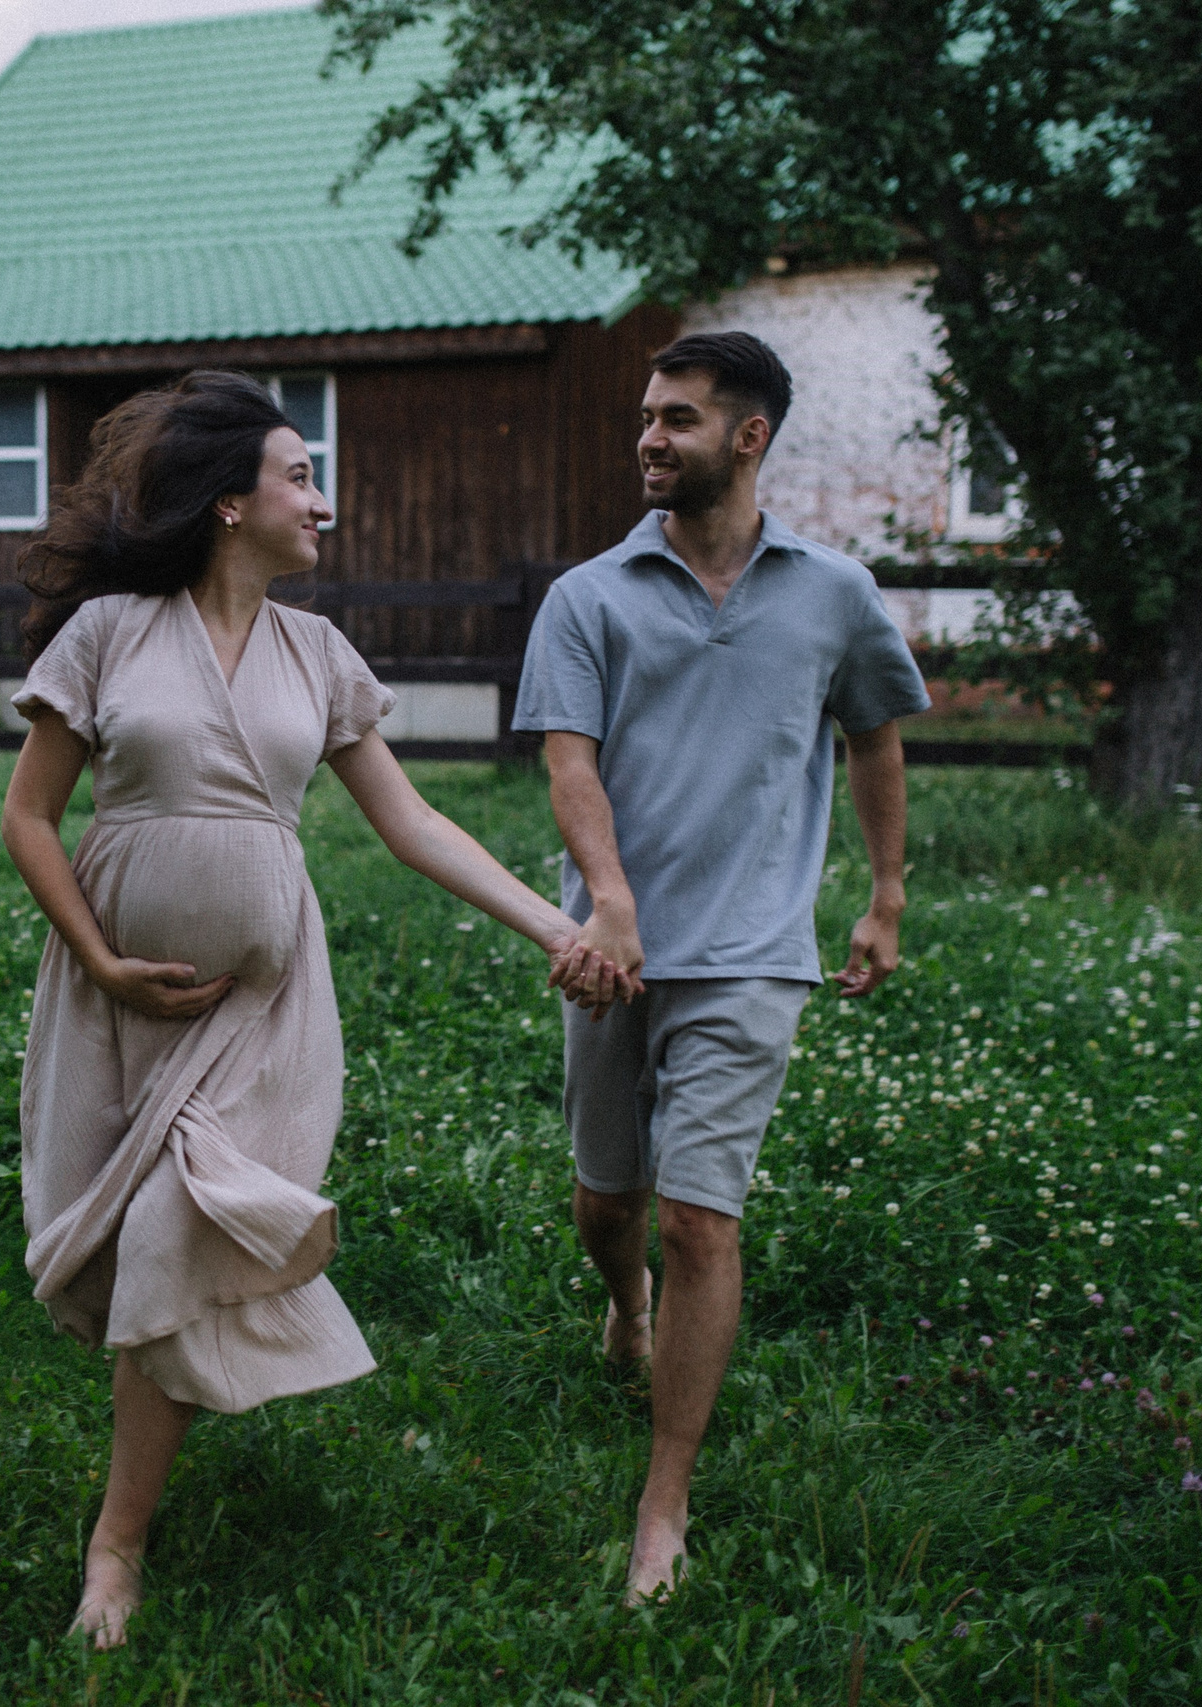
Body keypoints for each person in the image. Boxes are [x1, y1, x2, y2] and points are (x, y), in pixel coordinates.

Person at [1, 370, 630, 1649]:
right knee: (132, 1246)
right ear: (229, 503)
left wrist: (558, 926)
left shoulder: (318, 655)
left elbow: (411, 824)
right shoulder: (112, 633)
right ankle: (134, 1503)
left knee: (183, 1229)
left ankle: (114, 1549)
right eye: (299, 475)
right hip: (116, 998)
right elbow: (28, 817)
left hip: (263, 1005)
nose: (322, 500)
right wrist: (103, 961)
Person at [513, 330, 928, 1603]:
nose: (649, 435)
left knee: (701, 1221)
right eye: (647, 414)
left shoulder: (834, 594)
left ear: (748, 437)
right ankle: (622, 1310)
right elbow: (566, 759)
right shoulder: (588, 595)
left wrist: (885, 892)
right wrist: (614, 906)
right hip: (613, 951)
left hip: (752, 953)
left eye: (678, 418)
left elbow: (874, 739)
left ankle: (663, 1500)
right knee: (607, 1205)